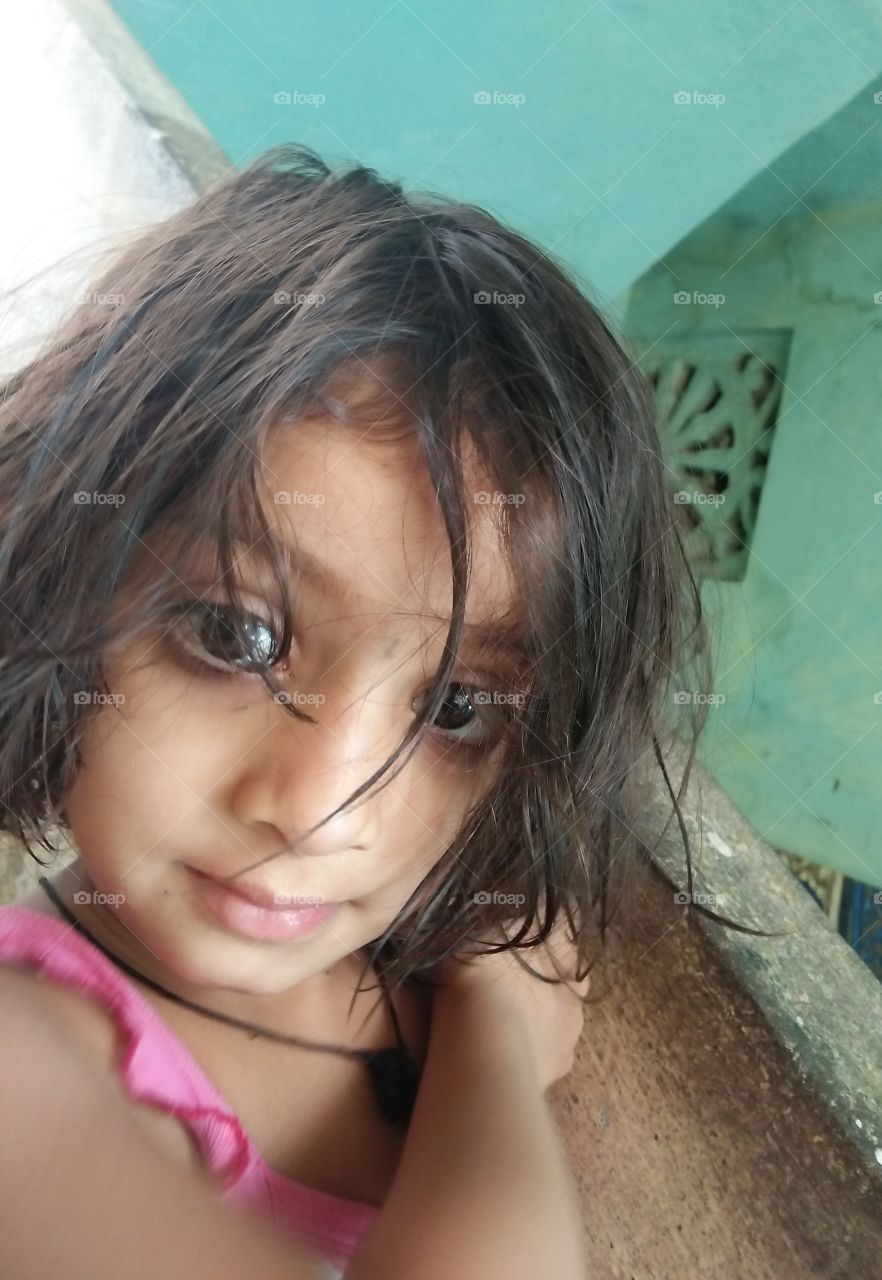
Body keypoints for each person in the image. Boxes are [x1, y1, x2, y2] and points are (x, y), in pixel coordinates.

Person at [0, 144, 707, 1279]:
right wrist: (495, 1036)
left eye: (456, 706)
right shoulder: (24, 1068)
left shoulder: (399, 953)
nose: (324, 813)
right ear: (69, 580)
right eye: (237, 636)